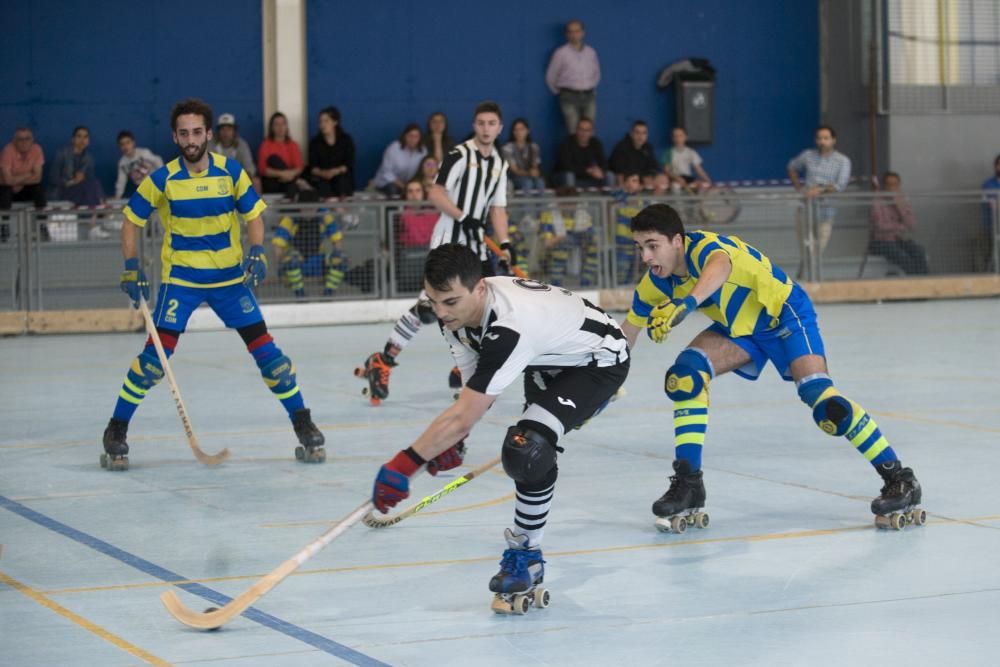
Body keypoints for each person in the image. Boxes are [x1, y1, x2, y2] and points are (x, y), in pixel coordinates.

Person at [619, 203, 922, 531]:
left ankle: (900, 479)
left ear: (677, 241)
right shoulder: (654, 284)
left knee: (826, 405)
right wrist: (599, 380)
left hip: (784, 315)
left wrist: (685, 304)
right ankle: (689, 483)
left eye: (653, 246)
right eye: (640, 248)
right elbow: (627, 336)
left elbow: (719, 267)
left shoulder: (705, 248)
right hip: (740, 330)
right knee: (685, 377)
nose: (646, 257)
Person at [369, 243, 629, 613]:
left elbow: (464, 414)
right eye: (433, 301)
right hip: (548, 357)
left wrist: (405, 465)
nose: (441, 314)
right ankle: (563, 421)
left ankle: (526, 554)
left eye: (450, 302)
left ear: (480, 289)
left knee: (528, 448)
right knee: (533, 444)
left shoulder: (510, 327)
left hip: (597, 361)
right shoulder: (460, 318)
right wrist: (456, 443)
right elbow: (472, 395)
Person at [101, 98, 326, 470]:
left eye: (197, 132)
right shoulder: (163, 179)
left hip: (230, 281)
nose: (191, 140)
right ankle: (116, 429)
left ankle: (303, 424)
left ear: (208, 134)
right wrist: (130, 265)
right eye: (183, 133)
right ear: (175, 136)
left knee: (272, 360)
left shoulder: (231, 172)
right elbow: (131, 221)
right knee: (153, 363)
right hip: (181, 282)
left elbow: (254, 215)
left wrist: (257, 249)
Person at [357, 101, 512, 403]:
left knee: (487, 310)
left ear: (499, 127)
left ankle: (465, 370)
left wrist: (505, 243)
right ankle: (383, 361)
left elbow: (498, 208)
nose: (486, 129)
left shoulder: (500, 164)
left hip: (477, 246)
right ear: (474, 124)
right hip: (448, 241)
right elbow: (436, 193)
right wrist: (462, 216)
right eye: (481, 122)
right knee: (430, 310)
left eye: (492, 123)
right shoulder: (459, 155)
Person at [787, 125, 851, 278]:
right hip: (805, 210)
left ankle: (808, 276)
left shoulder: (842, 161)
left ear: (833, 140)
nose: (822, 141)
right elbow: (792, 166)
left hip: (826, 211)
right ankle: (808, 276)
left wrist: (820, 190)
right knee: (805, 246)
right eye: (819, 138)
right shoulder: (808, 155)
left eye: (826, 138)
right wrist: (799, 187)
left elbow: (840, 185)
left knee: (819, 247)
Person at [271, 190, 347, 298]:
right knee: (292, 259)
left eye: (312, 208)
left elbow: (337, 238)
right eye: (305, 208)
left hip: (318, 262)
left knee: (341, 260)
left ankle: (328, 294)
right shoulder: (290, 218)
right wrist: (280, 264)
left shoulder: (324, 215)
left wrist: (337, 253)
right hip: (296, 263)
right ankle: (300, 295)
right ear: (299, 207)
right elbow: (278, 245)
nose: (309, 212)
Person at [545, 19, 601, 134]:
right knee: (574, 131)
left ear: (583, 33)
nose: (574, 35)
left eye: (577, 31)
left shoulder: (591, 52)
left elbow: (597, 73)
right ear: (566, 34)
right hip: (569, 97)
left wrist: (590, 86)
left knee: (589, 131)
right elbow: (551, 76)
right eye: (570, 32)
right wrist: (560, 92)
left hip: (589, 96)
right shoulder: (560, 53)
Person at [868, 172, 928, 275]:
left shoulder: (902, 201)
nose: (892, 188)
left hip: (899, 240)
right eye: (889, 184)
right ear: (884, 186)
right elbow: (880, 226)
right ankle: (917, 282)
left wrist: (900, 207)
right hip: (880, 242)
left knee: (919, 251)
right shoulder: (877, 201)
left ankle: (923, 282)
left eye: (895, 184)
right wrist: (901, 227)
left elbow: (912, 225)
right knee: (902, 256)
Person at [258, 111, 310, 197]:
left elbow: (299, 167)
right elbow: (262, 169)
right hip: (273, 180)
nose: (280, 127)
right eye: (277, 124)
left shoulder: (293, 145)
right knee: (273, 159)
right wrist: (283, 174)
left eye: (283, 124)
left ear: (286, 126)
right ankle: (296, 181)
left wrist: (289, 175)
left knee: (291, 185)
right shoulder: (266, 145)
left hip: (290, 180)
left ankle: (291, 206)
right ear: (272, 127)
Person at [307, 106, 355, 198]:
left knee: (342, 181)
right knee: (320, 184)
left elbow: (348, 163)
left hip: (341, 177)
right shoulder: (315, 143)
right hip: (322, 179)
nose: (323, 124)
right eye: (320, 121)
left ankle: (342, 209)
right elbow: (313, 168)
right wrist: (323, 173)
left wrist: (335, 171)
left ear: (335, 122)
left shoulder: (346, 140)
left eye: (326, 121)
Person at [50, 126, 104, 207]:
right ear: (73, 139)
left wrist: (82, 178)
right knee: (90, 189)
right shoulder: (62, 154)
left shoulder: (89, 158)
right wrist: (73, 182)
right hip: (62, 192)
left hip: (79, 192)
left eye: (85, 137)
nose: (82, 140)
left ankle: (98, 210)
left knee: (94, 184)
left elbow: (90, 180)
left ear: (88, 141)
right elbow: (53, 179)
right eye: (79, 136)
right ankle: (99, 211)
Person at [552, 118, 613, 189]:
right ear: (576, 130)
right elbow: (566, 166)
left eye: (587, 130)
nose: (584, 133)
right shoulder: (567, 143)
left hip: (589, 178)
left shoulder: (596, 143)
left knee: (609, 175)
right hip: (567, 178)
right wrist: (587, 171)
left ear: (592, 132)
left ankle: (608, 199)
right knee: (569, 175)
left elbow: (604, 163)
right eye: (581, 129)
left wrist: (600, 170)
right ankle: (571, 199)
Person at [210, 113, 260, 192]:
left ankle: (255, 204)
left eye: (229, 129)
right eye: (223, 129)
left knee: (256, 182)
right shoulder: (211, 145)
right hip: (215, 180)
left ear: (234, 131)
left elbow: (250, 169)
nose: (225, 133)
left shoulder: (242, 145)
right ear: (218, 131)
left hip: (237, 180)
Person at [373, 123, 427, 197]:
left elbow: (426, 168)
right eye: (410, 136)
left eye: (416, 136)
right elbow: (386, 172)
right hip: (387, 183)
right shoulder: (394, 148)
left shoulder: (423, 151)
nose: (413, 139)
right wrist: (403, 185)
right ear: (405, 136)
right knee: (394, 190)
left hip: (410, 185)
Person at [0, 127, 46, 211]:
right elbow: (7, 180)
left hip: (25, 187)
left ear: (32, 140)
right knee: (5, 190)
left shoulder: (37, 149)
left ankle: (42, 221)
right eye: (20, 139)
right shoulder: (7, 150)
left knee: (39, 189)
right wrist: (29, 174)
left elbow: (37, 178)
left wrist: (20, 183)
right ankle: (4, 222)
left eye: (27, 138)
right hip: (9, 188)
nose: (24, 142)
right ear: (14, 141)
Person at [609, 120, 659, 189]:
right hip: (627, 181)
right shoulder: (621, 147)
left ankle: (655, 199)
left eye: (644, 133)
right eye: (637, 132)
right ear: (631, 133)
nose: (640, 136)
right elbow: (619, 172)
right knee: (633, 182)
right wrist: (622, 188)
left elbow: (654, 167)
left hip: (642, 181)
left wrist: (651, 177)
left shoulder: (648, 148)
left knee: (662, 179)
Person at [114, 131, 164, 200]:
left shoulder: (143, 153)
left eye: (128, 143)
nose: (125, 147)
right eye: (122, 144)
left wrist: (163, 179)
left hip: (157, 184)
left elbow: (158, 160)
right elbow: (121, 181)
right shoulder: (122, 163)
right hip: (144, 190)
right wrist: (117, 197)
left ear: (133, 143)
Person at [660, 127, 711, 193]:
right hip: (674, 179)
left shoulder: (691, 152)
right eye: (675, 136)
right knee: (675, 186)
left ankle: (699, 202)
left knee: (702, 185)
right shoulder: (668, 153)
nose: (678, 138)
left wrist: (708, 180)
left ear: (685, 137)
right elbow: (667, 171)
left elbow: (698, 169)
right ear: (672, 138)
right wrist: (677, 178)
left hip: (688, 178)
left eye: (680, 136)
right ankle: (678, 203)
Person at [502, 118, 545, 192]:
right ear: (513, 132)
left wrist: (535, 171)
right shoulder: (507, 148)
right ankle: (526, 204)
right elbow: (514, 170)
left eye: (522, 129)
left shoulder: (533, 147)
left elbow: (535, 166)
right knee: (527, 183)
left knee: (540, 182)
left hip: (530, 177)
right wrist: (529, 173)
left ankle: (541, 204)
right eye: (516, 130)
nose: (519, 132)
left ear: (527, 131)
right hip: (513, 177)